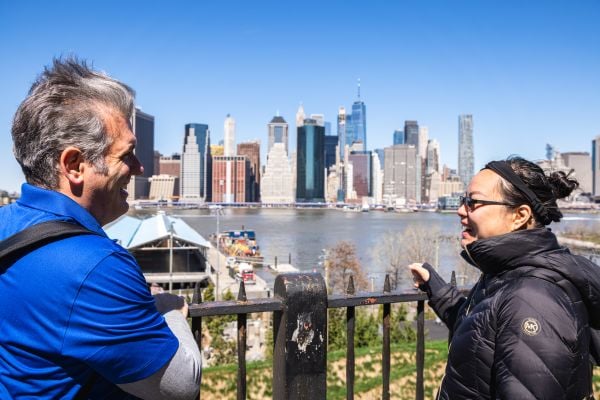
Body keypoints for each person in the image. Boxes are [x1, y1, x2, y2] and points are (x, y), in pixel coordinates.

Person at [0, 58, 201, 399]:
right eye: (127, 155)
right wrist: (171, 311)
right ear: (75, 165)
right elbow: (180, 386)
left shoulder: (6, 225)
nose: (139, 168)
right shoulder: (95, 267)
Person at [409, 156, 600, 399]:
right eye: (463, 200)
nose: (460, 210)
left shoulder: (532, 298)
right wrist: (435, 287)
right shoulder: (507, 275)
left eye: (473, 202)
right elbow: (480, 332)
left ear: (519, 216)